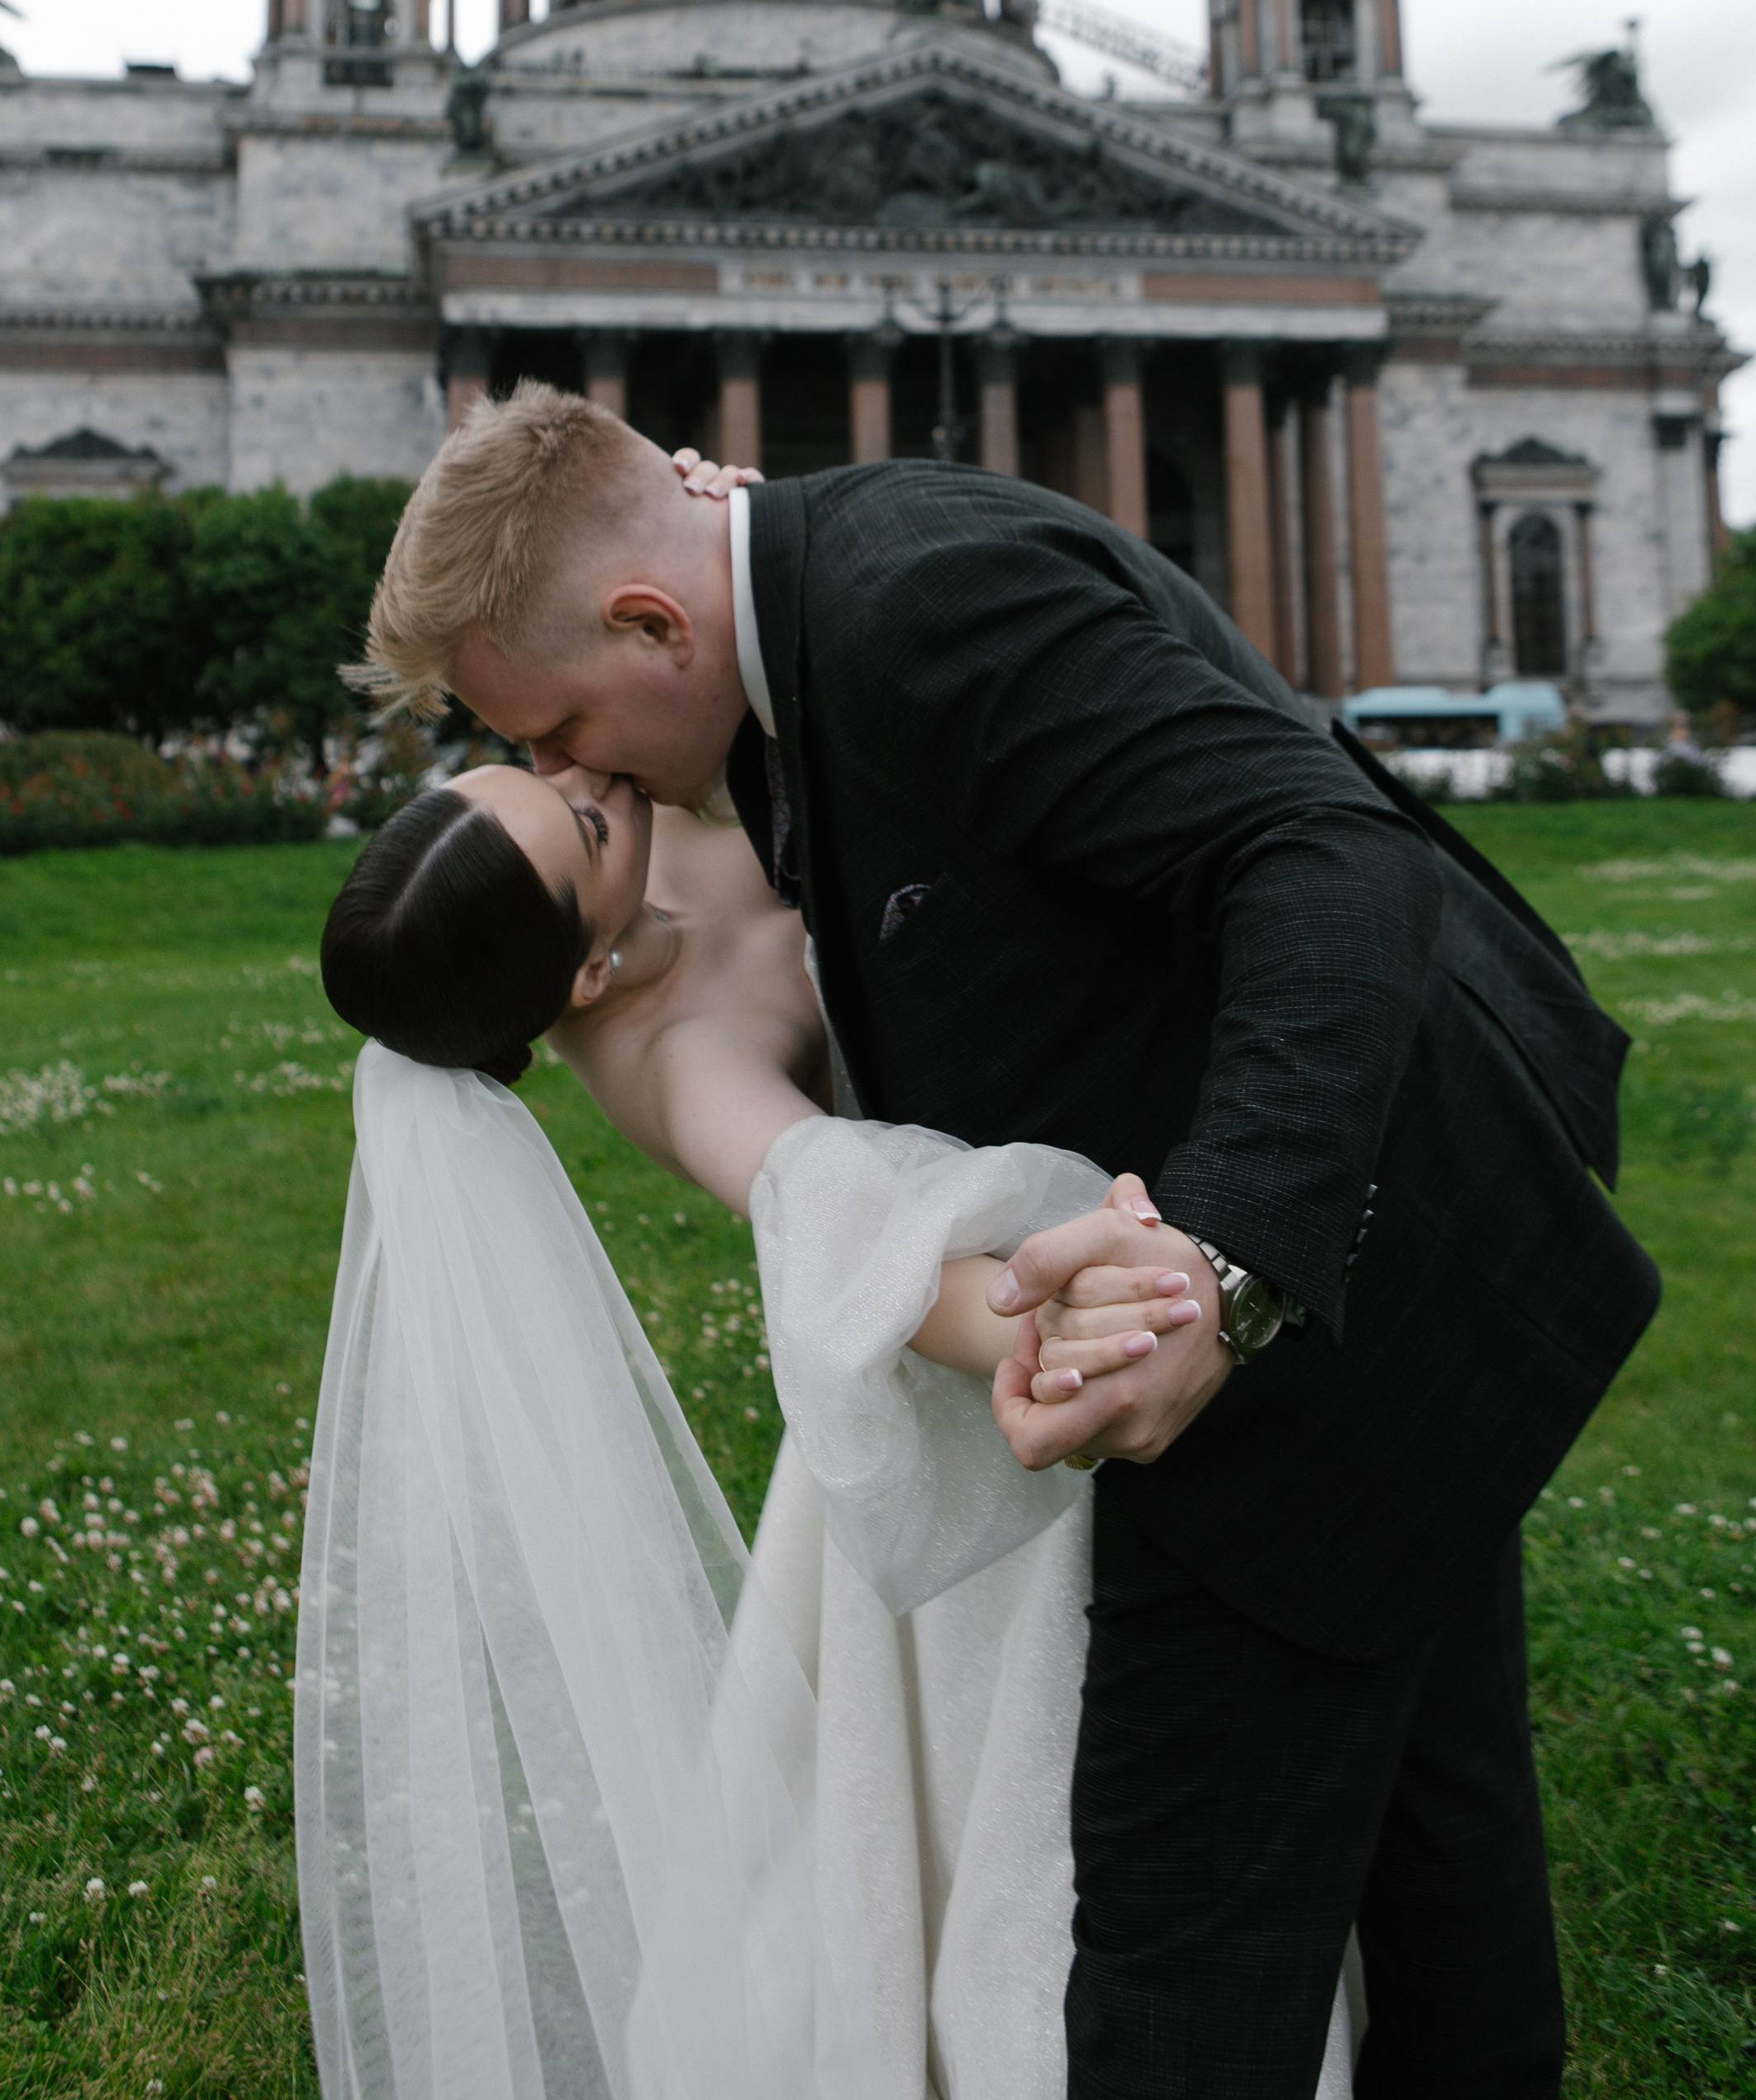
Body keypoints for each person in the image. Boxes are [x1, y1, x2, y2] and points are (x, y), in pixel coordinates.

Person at [354, 391, 1662, 2100]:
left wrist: (1223, 1263)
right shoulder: (792, 618)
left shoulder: (906, 603)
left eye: (567, 729)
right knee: (1438, 1831)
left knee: (1170, 1939)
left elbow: (1323, 849)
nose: (572, 769)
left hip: (1304, 1275)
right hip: (1325, 1263)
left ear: (657, 620)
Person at [305, 754, 1359, 2098]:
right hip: (973, 1404)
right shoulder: (669, 1054)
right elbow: (862, 1245)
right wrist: (1038, 1324)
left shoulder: (639, 790)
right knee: (1027, 1818)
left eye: (525, 764)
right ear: (584, 976)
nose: (589, 777)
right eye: (576, 821)